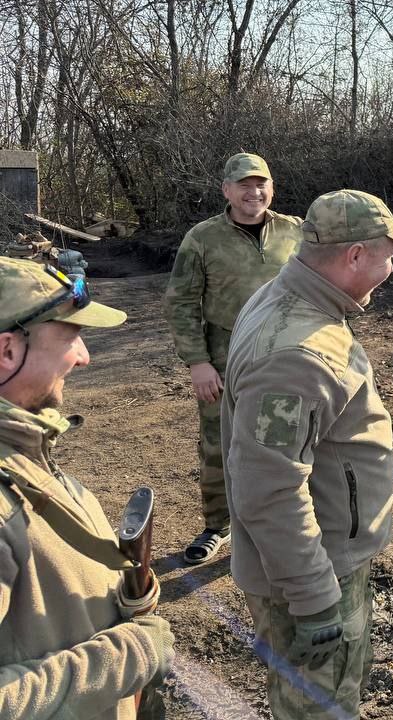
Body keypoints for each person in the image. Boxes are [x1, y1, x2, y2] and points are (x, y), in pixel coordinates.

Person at [222, 190, 393, 719]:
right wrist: (313, 602)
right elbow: (269, 488)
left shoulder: (290, 298)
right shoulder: (296, 351)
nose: (392, 266)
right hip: (313, 574)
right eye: (387, 254)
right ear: (354, 255)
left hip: (316, 560)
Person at [0, 257, 174, 718]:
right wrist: (127, 655)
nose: (84, 356)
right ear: (6, 352)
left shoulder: (25, 449)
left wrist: (122, 599)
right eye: (70, 337)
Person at [162, 152, 303, 566]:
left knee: (285, 441)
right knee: (220, 443)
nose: (253, 192)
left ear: (271, 189)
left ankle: (278, 525)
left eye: (261, 184)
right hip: (224, 359)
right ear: (227, 190)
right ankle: (218, 526)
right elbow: (181, 302)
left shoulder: (296, 232)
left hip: (284, 356)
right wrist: (197, 362)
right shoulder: (203, 238)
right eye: (243, 184)